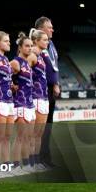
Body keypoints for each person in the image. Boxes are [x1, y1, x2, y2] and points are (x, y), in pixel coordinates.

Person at [10, 32, 36, 176]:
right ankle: (15, 166)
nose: (30, 48)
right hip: (20, 103)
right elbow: (2, 75)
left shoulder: (27, 63)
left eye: (31, 46)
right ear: (20, 47)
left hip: (29, 103)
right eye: (27, 46)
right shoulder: (16, 62)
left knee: (28, 137)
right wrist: (11, 85)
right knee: (20, 137)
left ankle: (25, 164)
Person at [35, 17, 58, 167]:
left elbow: (54, 66)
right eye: (49, 27)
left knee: (48, 126)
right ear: (41, 29)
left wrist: (56, 83)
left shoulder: (51, 45)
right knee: (38, 128)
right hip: (40, 91)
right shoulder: (36, 47)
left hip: (50, 89)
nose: (52, 30)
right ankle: (35, 159)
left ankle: (45, 158)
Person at [0, 31, 14, 178]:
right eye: (6, 41)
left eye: (9, 41)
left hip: (9, 100)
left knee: (7, 135)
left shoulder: (6, 60)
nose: (9, 43)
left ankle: (6, 165)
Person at [29, 28, 49, 172]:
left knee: (39, 133)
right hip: (35, 97)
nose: (47, 42)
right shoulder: (32, 55)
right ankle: (29, 162)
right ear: (36, 41)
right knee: (33, 133)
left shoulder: (41, 56)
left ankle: (36, 161)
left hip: (43, 96)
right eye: (44, 39)